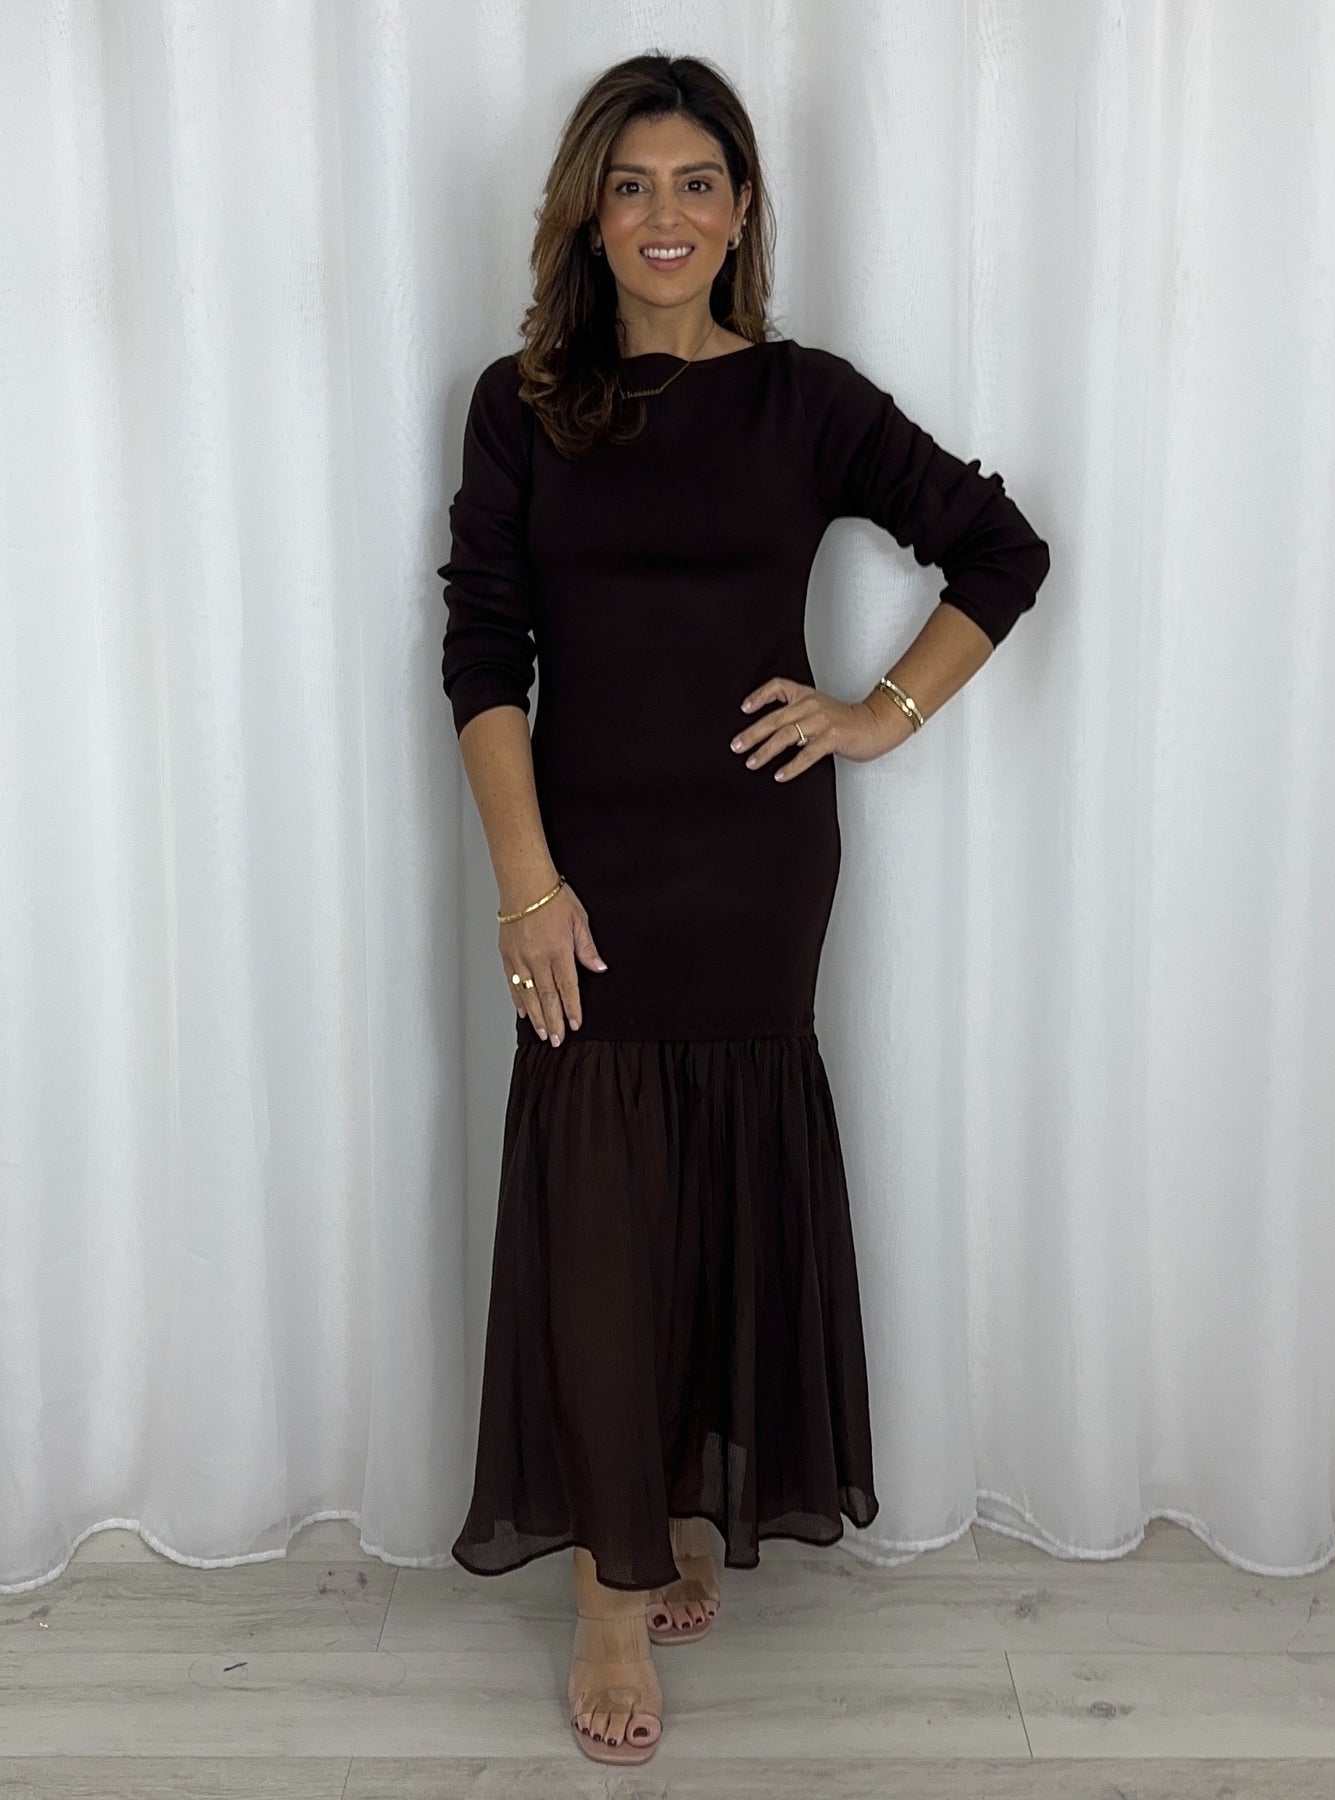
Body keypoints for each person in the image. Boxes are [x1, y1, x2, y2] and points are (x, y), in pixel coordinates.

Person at [437, 52, 1051, 1767]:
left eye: (695, 182)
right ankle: (606, 1595)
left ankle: (680, 1506)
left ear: (741, 209)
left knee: (714, 1189)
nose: (664, 214)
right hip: (584, 866)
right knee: (597, 1210)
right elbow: (482, 654)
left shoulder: (804, 400)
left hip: (757, 865)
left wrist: (878, 713)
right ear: (587, 214)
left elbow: (999, 549)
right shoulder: (521, 403)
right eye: (630, 184)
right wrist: (525, 885)